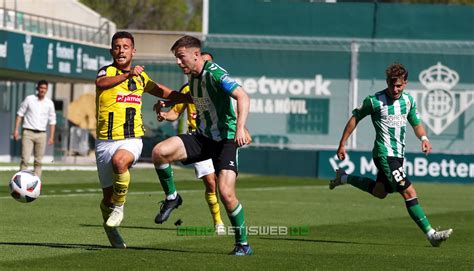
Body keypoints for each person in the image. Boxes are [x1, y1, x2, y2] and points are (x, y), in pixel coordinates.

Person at [330, 63, 453, 247]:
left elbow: (416, 123)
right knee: (408, 191)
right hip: (384, 154)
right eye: (391, 85)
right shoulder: (375, 101)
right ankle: (431, 234)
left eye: (399, 86)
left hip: (398, 156)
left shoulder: (409, 101)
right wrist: (342, 144)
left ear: (405, 84)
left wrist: (424, 138)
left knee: (380, 192)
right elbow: (355, 117)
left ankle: (344, 177)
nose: (394, 89)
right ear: (387, 82)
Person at [152, 36, 253, 256]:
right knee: (160, 152)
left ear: (195, 54)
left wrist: (240, 128)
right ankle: (172, 198)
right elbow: (194, 101)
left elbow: (243, 97)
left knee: (226, 194)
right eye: (176, 58)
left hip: (225, 140)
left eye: (181, 57)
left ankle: (243, 243)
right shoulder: (192, 79)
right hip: (203, 137)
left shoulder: (215, 73)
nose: (178, 62)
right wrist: (167, 107)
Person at [95, 31, 191, 248]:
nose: (121, 51)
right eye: (117, 47)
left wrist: (185, 97)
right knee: (106, 200)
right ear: (112, 51)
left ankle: (120, 208)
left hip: (131, 139)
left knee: (120, 161)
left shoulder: (140, 77)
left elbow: (162, 91)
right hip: (104, 142)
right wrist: (126, 76)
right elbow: (101, 83)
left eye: (125, 47)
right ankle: (110, 226)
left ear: (133, 51)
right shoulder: (106, 71)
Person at [13, 80, 56, 178]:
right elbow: (20, 114)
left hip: (42, 134)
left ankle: (36, 184)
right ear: (37, 88)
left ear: (47, 90)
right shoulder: (29, 99)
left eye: (45, 88)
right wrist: (16, 130)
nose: (42, 90)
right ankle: (21, 182)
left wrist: (52, 136)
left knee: (38, 161)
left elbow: (52, 121)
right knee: (25, 159)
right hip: (28, 132)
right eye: (41, 88)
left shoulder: (49, 103)